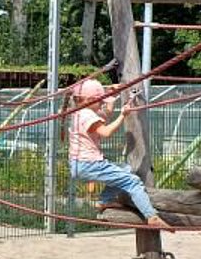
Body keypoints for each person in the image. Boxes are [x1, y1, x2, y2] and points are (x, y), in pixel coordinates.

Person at [67, 78, 170, 229]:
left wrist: (111, 95)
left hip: (79, 164)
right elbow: (106, 131)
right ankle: (151, 216)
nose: (102, 104)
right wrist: (123, 115)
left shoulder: (80, 112)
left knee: (125, 169)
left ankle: (104, 200)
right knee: (133, 181)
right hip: (89, 164)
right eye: (100, 101)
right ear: (90, 100)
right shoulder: (87, 115)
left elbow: (104, 115)